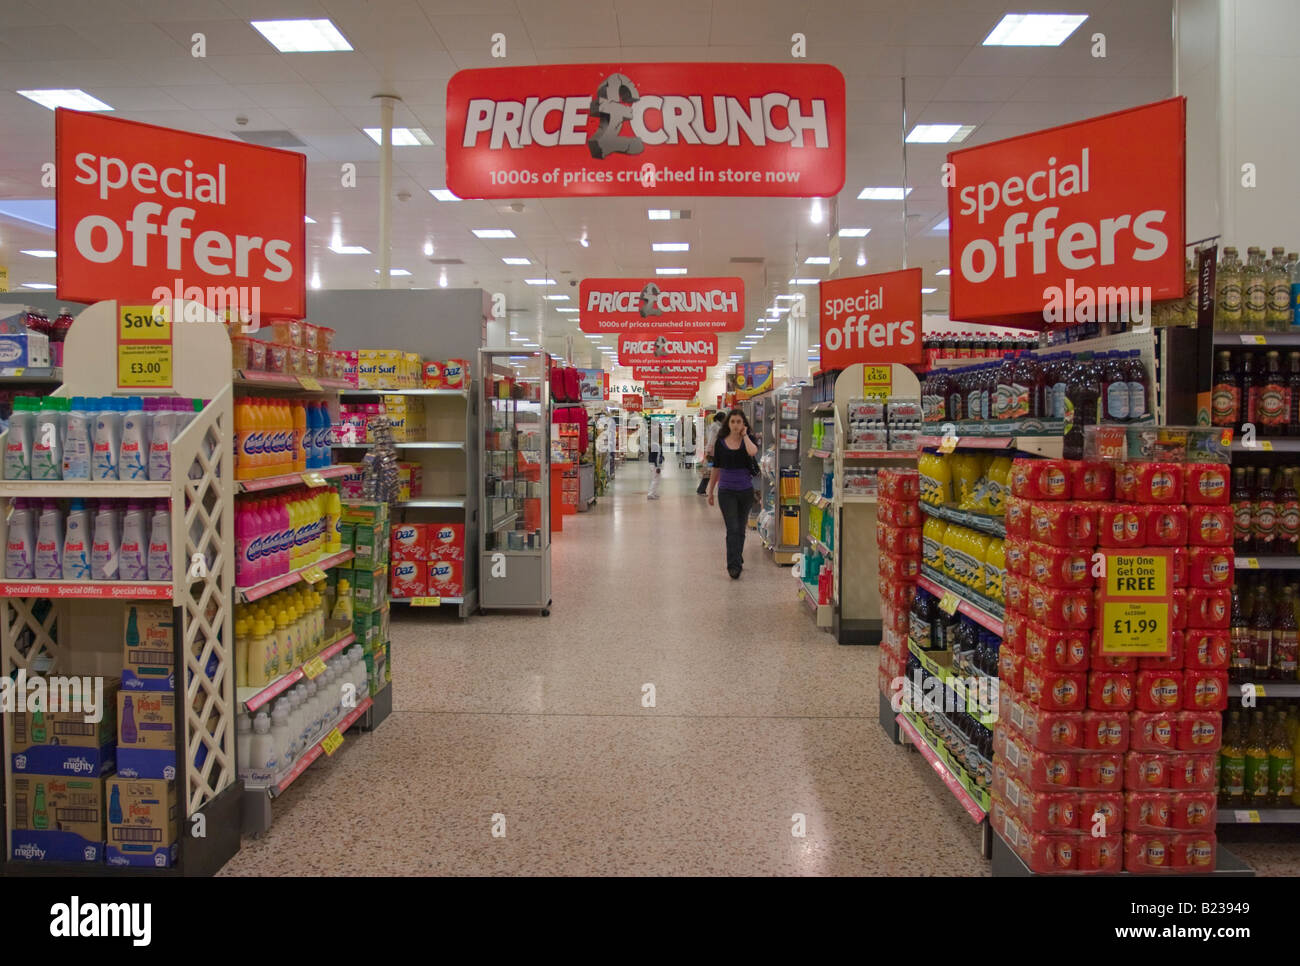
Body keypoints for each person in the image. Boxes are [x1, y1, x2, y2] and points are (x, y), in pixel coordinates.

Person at [707, 409, 759, 578]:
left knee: (741, 529)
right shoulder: (720, 442)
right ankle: (733, 566)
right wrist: (710, 491)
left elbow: (753, 452)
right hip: (726, 491)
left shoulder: (748, 440)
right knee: (733, 528)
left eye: (739, 422)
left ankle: (737, 557)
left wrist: (744, 436)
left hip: (745, 491)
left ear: (744, 424)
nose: (736, 425)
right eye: (733, 422)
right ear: (728, 424)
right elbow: (716, 467)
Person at [697, 411, 727, 495]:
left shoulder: (716, 425)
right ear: (721, 418)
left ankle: (702, 489)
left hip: (714, 452)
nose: (725, 420)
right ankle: (701, 489)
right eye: (724, 418)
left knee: (710, 471)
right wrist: (708, 451)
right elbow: (711, 439)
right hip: (713, 453)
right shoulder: (716, 427)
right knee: (709, 472)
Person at [647, 419, 663, 500]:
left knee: (656, 479)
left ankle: (654, 493)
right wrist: (658, 467)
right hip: (654, 464)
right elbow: (656, 456)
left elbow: (659, 454)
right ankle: (650, 494)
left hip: (652, 463)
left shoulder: (654, 443)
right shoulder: (655, 444)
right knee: (655, 479)